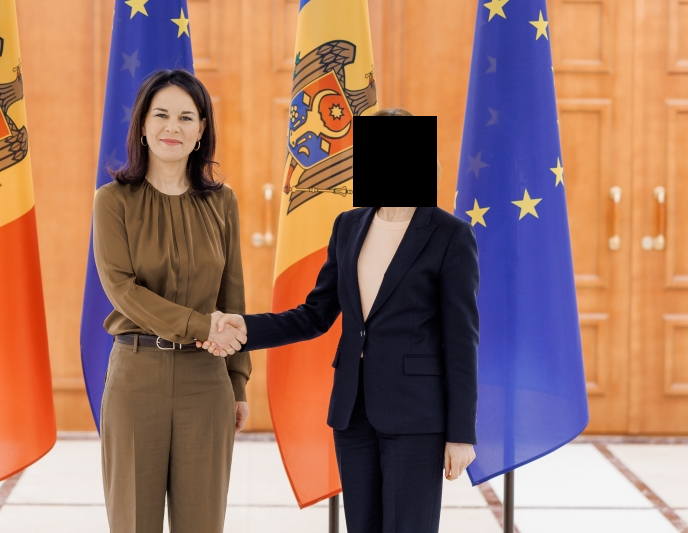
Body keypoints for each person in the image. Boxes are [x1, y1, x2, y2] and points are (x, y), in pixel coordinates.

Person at [202, 108, 479, 533]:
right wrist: (246, 328)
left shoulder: (450, 235)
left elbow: (462, 341)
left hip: (417, 417)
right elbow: (315, 315)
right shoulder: (349, 226)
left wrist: (461, 433)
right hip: (353, 411)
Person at [93, 69, 250, 533]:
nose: (172, 127)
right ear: (142, 125)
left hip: (208, 381)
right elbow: (123, 290)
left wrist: (238, 381)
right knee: (133, 522)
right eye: (161, 115)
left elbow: (232, 295)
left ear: (201, 131)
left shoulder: (222, 202)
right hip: (137, 376)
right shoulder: (112, 201)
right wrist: (202, 327)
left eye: (186, 117)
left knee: (203, 523)